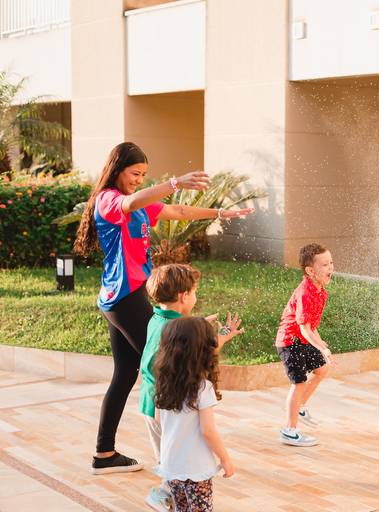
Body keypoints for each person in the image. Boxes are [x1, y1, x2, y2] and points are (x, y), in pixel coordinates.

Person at [73, 142, 253, 474]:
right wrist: (174, 184)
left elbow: (179, 213)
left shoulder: (140, 205)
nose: (139, 180)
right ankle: (174, 456)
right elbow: (129, 202)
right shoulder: (110, 200)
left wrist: (220, 214)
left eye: (143, 175)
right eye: (134, 173)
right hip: (125, 296)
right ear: (117, 170)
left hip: (126, 295)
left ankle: (104, 454)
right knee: (169, 366)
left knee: (127, 372)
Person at [140, 263, 242, 511]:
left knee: (171, 451)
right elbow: (195, 355)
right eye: (195, 291)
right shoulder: (199, 385)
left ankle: (170, 492)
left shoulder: (158, 319)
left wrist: (197, 327)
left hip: (154, 399)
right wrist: (222, 336)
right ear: (183, 296)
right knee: (176, 457)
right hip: (163, 401)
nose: (195, 296)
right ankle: (162, 495)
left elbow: (181, 345)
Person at [154, 316, 234, 512]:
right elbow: (208, 431)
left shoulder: (164, 383)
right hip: (195, 468)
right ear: (203, 352)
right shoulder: (202, 388)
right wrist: (224, 458)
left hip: (171, 465)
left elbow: (158, 420)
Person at [275, 243, 334, 447]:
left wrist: (319, 343)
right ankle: (289, 430)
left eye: (331, 263)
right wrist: (322, 347)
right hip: (290, 341)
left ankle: (299, 406)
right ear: (310, 270)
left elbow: (311, 327)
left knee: (322, 369)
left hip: (302, 338)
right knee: (298, 383)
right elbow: (303, 329)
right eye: (325, 264)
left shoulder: (320, 291)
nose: (330, 268)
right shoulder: (306, 293)